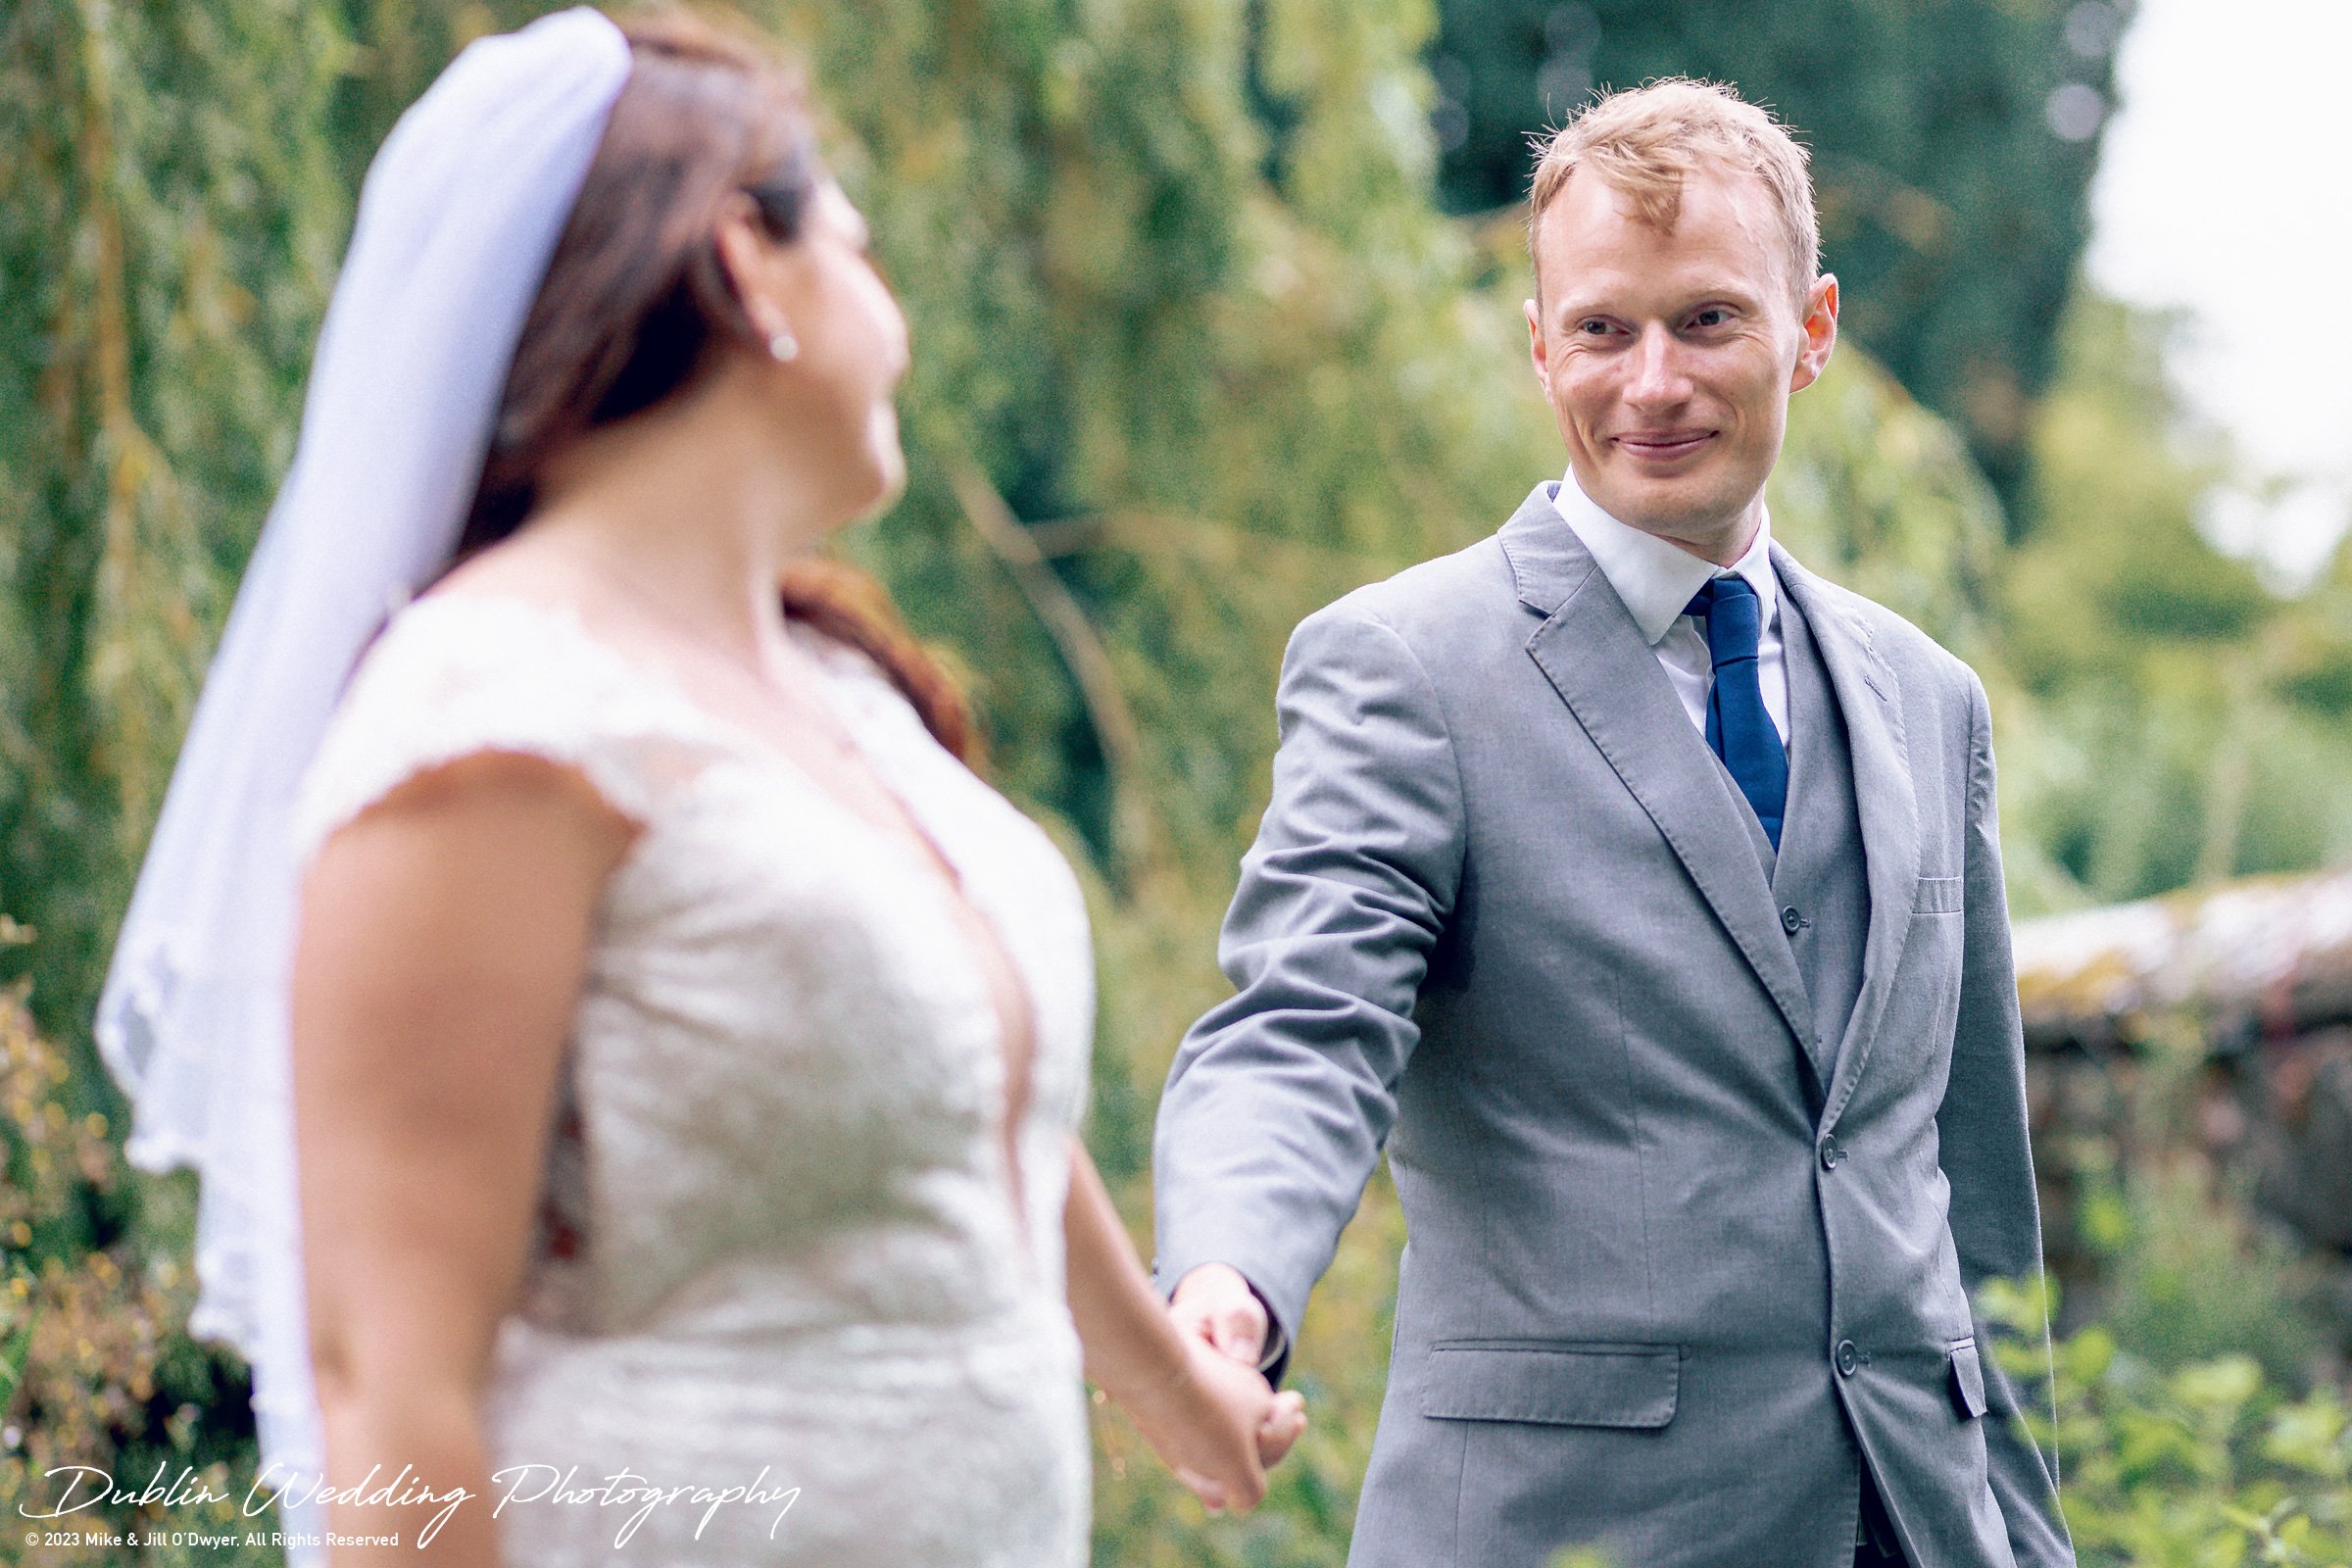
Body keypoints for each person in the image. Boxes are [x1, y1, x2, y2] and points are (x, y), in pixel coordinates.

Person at [97, 9, 1301, 1564]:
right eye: (859, 249)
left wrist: (1174, 1392)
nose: (900, 313)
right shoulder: (493, 722)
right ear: (744, 262)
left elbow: (962, 1095)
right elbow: (383, 1388)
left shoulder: (842, 694)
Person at [1150, 79, 2075, 1568]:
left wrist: (2028, 1536)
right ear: (1538, 345)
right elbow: (1299, 1022)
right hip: (1564, 1529)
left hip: (1920, 1527)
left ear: (1813, 328)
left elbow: (1974, 1185)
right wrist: (1227, 1276)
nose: (1653, 382)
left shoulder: (1929, 697)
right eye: (1601, 329)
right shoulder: (1407, 667)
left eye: (1708, 321)